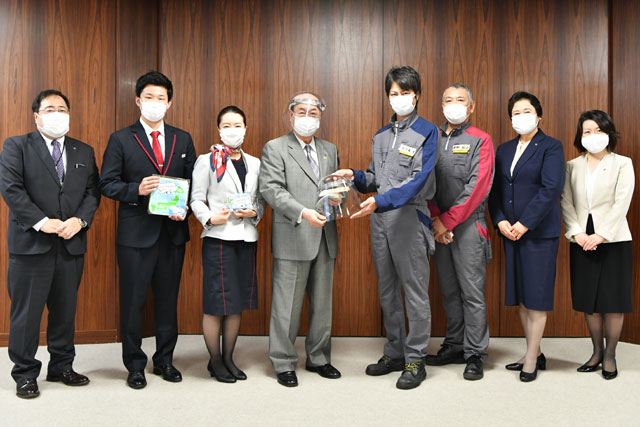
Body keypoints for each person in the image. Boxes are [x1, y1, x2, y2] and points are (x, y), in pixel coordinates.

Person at [336, 66, 438, 390]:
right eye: (394, 93)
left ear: (416, 95)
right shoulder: (381, 135)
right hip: (379, 219)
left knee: (415, 292)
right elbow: (374, 179)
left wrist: (382, 201)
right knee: (387, 290)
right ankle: (395, 352)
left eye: (405, 92)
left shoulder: (427, 131)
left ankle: (416, 359)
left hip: (409, 217)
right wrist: (353, 176)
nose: (399, 98)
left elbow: (419, 180)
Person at [0, 90, 100, 399]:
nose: (57, 114)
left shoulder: (83, 151)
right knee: (27, 314)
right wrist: (42, 222)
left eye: (62, 109)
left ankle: (61, 366)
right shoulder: (17, 146)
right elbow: (11, 189)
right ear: (37, 116)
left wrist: (80, 221)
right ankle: (25, 373)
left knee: (65, 311)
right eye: (49, 109)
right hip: (31, 244)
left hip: (70, 243)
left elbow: (92, 192)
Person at [99, 71, 196, 389]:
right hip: (135, 235)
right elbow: (106, 183)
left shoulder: (183, 138)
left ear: (170, 103)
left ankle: (165, 360)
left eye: (161, 98)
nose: (155, 102)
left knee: (168, 301)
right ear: (138, 101)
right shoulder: (121, 138)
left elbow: (193, 183)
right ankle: (135, 365)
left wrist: (185, 208)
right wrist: (136, 190)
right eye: (149, 97)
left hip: (172, 233)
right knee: (133, 302)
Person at [259, 92, 341, 387]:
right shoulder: (276, 147)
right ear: (291, 115)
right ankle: (283, 361)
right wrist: (303, 212)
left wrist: (339, 196)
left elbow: (334, 187)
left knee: (322, 305)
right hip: (293, 233)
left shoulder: (329, 149)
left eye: (314, 113)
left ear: (320, 117)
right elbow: (271, 189)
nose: (308, 118)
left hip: (325, 236)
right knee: (286, 307)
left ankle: (319, 357)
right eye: (302, 112)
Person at [488, 91, 564, 382]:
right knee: (521, 297)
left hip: (539, 234)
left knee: (536, 298)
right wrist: (500, 220)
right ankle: (535, 350)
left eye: (527, 111)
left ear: (539, 115)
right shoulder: (504, 149)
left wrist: (525, 223)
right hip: (510, 233)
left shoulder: (551, 147)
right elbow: (495, 191)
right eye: (516, 113)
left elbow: (551, 189)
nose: (521, 117)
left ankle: (531, 358)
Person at [190, 106, 266, 383]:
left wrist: (255, 212)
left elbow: (261, 200)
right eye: (227, 125)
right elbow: (195, 198)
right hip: (219, 238)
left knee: (235, 302)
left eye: (238, 125)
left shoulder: (256, 163)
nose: (233, 130)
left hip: (246, 238)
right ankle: (215, 361)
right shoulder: (207, 160)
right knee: (216, 302)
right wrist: (210, 217)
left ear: (245, 128)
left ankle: (229, 358)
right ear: (219, 129)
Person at [425, 83, 494, 381]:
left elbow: (477, 187)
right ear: (442, 106)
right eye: (449, 100)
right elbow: (425, 181)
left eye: (461, 100)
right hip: (438, 225)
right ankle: (454, 344)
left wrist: (447, 222)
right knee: (449, 290)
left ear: (471, 106)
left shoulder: (481, 139)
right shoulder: (432, 138)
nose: (454, 104)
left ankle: (475, 353)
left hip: (468, 227)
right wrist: (436, 219)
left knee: (472, 292)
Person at [560, 110, 634, 380]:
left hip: (613, 238)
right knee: (589, 299)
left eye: (599, 130)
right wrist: (576, 232)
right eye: (587, 131)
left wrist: (601, 234)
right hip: (581, 238)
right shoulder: (571, 165)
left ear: (609, 133)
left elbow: (622, 202)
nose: (593, 135)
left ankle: (610, 355)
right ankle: (596, 352)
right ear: (580, 136)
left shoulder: (622, 163)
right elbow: (566, 201)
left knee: (612, 300)